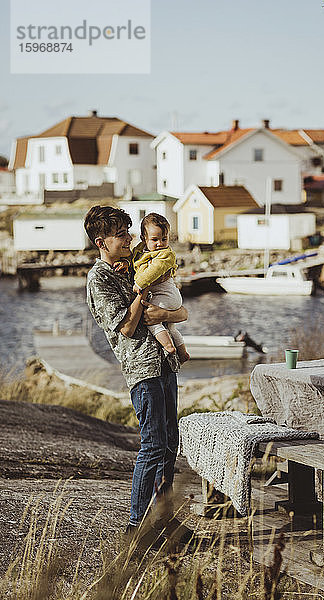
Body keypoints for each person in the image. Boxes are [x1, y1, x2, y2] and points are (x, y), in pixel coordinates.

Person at [84, 205, 188, 534]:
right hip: (142, 368)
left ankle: (162, 521)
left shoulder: (129, 267)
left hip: (164, 363)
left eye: (128, 231)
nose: (129, 237)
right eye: (120, 234)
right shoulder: (99, 278)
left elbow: (178, 311)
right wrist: (143, 295)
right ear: (101, 242)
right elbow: (126, 327)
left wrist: (166, 313)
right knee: (154, 444)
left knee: (170, 442)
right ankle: (137, 527)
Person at [113, 212, 190, 364]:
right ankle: (183, 353)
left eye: (164, 239)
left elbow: (154, 270)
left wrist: (140, 284)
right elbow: (134, 260)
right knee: (171, 328)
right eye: (155, 240)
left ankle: (168, 346)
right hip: (164, 296)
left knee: (152, 321)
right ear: (143, 239)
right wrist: (127, 264)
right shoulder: (141, 250)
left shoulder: (165, 254)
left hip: (167, 294)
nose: (160, 243)